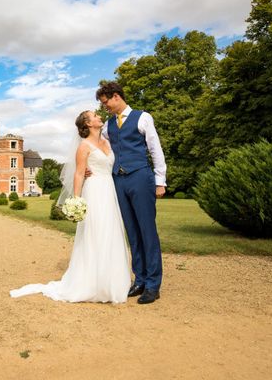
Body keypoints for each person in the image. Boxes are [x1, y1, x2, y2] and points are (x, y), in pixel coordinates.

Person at [10, 110, 131, 303]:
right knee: (95, 232)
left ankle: (112, 282)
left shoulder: (107, 141)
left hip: (109, 190)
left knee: (111, 232)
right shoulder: (84, 146)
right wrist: (76, 200)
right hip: (94, 191)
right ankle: (92, 283)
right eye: (94, 116)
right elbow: (79, 173)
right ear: (88, 124)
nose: (99, 116)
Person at [96, 81, 166, 305]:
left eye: (106, 103)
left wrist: (160, 181)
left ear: (116, 96)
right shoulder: (107, 126)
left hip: (140, 177)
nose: (105, 107)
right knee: (132, 233)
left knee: (147, 230)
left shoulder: (143, 117)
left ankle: (153, 285)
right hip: (118, 180)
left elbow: (155, 149)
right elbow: (101, 151)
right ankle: (140, 279)